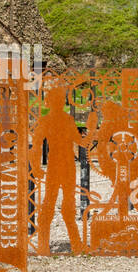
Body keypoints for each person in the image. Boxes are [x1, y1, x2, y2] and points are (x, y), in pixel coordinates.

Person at [30, 87, 93, 254]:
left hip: (66, 166)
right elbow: (35, 145)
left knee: (67, 205)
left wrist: (91, 134)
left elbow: (79, 141)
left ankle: (74, 245)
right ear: (50, 102)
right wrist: (35, 166)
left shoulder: (66, 120)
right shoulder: (50, 121)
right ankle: (46, 245)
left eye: (59, 100)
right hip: (57, 165)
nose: (58, 103)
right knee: (52, 204)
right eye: (55, 100)